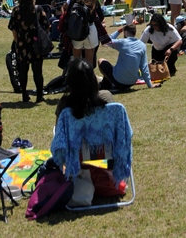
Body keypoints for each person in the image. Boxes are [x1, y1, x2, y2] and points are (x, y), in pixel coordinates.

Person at [50, 58, 133, 206]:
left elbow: (59, 137)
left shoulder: (65, 106)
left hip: (77, 154)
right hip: (106, 151)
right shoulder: (107, 98)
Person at [8, 0, 48, 104]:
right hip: (36, 45)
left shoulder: (16, 10)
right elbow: (46, 25)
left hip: (21, 44)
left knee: (23, 71)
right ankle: (39, 95)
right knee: (37, 72)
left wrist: (17, 41)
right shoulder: (38, 10)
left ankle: (24, 94)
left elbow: (13, 28)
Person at [99, 23, 148, 91]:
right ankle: (108, 84)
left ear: (126, 32)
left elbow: (106, 41)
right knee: (113, 68)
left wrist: (119, 30)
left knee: (101, 60)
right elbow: (144, 67)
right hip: (132, 82)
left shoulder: (122, 42)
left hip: (119, 81)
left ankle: (110, 85)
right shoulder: (142, 45)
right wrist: (149, 84)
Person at [143, 11, 182, 77]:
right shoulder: (149, 30)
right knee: (156, 69)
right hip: (156, 50)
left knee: (169, 70)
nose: (154, 27)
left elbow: (179, 40)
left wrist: (171, 50)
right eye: (152, 25)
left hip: (169, 48)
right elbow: (141, 42)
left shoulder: (169, 28)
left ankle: (171, 67)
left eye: (156, 25)